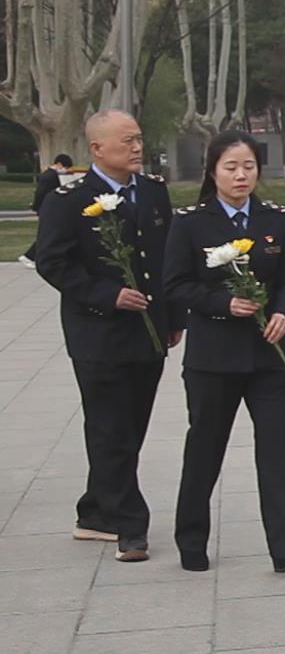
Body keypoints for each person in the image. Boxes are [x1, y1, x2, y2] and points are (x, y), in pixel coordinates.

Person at [164, 130, 285, 577]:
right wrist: (222, 304)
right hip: (214, 358)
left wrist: (284, 312)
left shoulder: (274, 218)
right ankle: (191, 539)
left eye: (248, 166)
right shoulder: (191, 222)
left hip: (268, 355)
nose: (241, 175)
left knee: (278, 452)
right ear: (213, 172)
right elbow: (175, 286)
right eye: (230, 167)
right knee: (205, 448)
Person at [33, 117, 174, 563]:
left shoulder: (152, 191)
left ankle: (95, 511)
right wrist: (107, 295)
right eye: (127, 140)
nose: (136, 147)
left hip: (148, 330)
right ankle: (131, 526)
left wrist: (173, 317)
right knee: (110, 426)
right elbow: (52, 263)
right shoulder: (68, 200)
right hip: (98, 333)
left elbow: (165, 256)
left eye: (139, 138)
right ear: (97, 148)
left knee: (130, 427)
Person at [21, 152, 76, 264]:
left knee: (50, 234)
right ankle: (29, 256)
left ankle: (31, 256)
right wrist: (36, 207)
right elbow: (40, 193)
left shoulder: (48, 175)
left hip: (47, 208)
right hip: (47, 209)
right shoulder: (50, 176)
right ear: (59, 164)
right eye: (65, 167)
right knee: (48, 234)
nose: (65, 170)